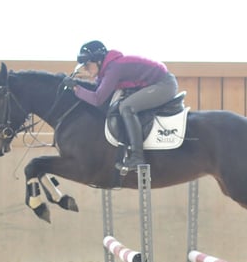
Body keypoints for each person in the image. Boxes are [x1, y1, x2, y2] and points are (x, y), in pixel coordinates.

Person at [68, 40, 178, 174]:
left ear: (98, 61)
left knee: (126, 107)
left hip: (164, 84)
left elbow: (97, 99)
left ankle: (137, 157)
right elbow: (99, 90)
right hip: (155, 83)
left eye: (87, 64)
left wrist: (75, 88)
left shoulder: (114, 68)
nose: (85, 68)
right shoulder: (108, 68)